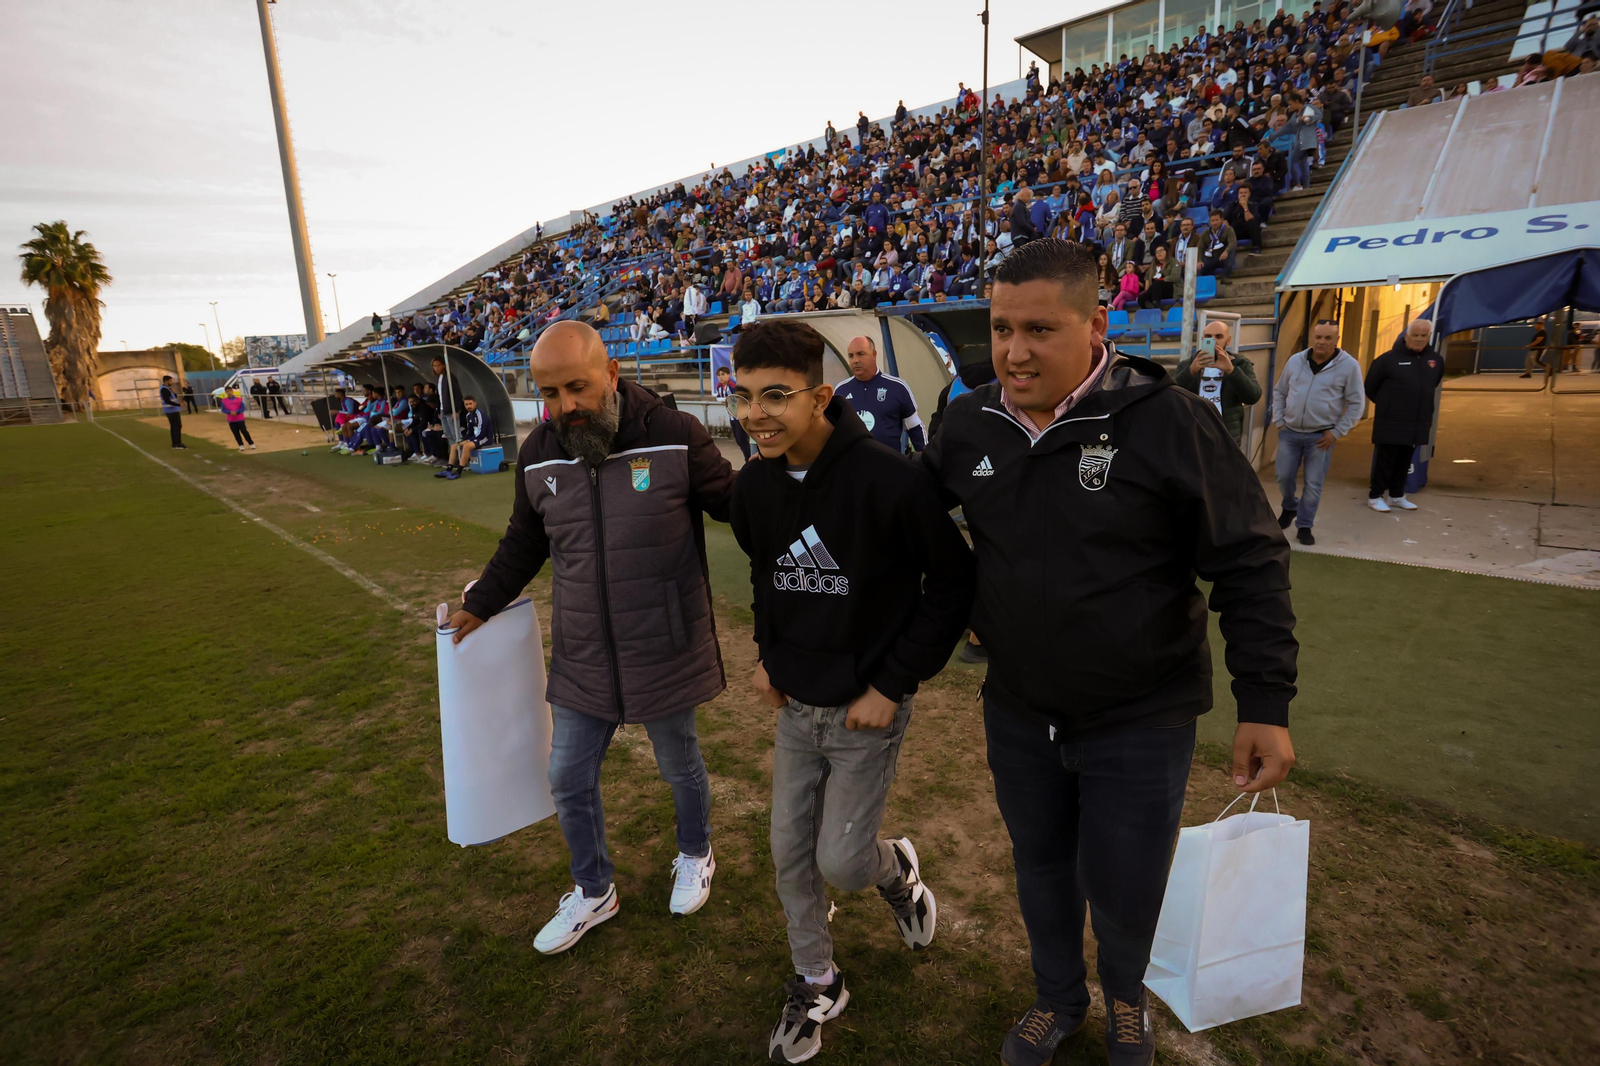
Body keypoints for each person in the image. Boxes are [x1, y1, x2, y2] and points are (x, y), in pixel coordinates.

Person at [920, 240, 1297, 1066]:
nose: (1015, 351)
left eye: (1040, 330)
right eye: (1001, 328)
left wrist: (1264, 701)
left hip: (1142, 717)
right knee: (1043, 869)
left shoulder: (1166, 421)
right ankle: (1058, 998)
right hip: (1019, 710)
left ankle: (1126, 1000)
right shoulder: (968, 419)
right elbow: (909, 515)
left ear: (1096, 324)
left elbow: (1250, 557)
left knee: (1125, 885)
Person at [725, 320, 975, 1065]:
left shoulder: (889, 480)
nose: (755, 414)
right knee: (787, 855)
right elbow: (769, 579)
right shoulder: (754, 488)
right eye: (741, 398)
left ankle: (894, 869)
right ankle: (817, 980)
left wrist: (892, 683)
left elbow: (953, 584)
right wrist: (770, 655)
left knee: (841, 862)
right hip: (797, 705)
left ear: (822, 396)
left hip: (867, 709)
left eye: (774, 396)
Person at [445, 321, 736, 955]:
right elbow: (526, 542)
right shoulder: (540, 453)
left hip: (664, 642)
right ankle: (593, 888)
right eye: (550, 394)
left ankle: (695, 852)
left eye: (577, 387)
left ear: (610, 372)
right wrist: (480, 603)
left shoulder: (677, 437)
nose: (565, 407)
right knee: (568, 775)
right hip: (583, 652)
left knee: (678, 764)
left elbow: (740, 507)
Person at [1272, 320, 1367, 545]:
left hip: (1321, 437)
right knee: (1283, 476)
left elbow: (1356, 403)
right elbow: (1280, 392)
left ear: (1336, 340)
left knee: (1313, 484)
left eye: (1327, 338)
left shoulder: (1349, 366)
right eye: (1317, 337)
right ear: (1312, 337)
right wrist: (1280, 421)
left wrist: (1337, 432)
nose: (1321, 342)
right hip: (1290, 432)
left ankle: (1305, 525)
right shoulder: (1296, 361)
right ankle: (1289, 507)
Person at [1364, 319, 1445, 513]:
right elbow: (1370, 387)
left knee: (1405, 460)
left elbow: (1432, 385)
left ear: (1429, 337)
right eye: (1415, 335)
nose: (1418, 339)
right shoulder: (1386, 360)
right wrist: (1389, 406)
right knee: (1385, 461)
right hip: (1391, 422)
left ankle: (1396, 496)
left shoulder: (1434, 361)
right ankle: (1375, 496)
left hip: (1417, 421)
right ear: (1406, 336)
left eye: (1423, 335)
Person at [1173, 319, 1262, 445]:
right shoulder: (1188, 365)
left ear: (1228, 340)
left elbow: (1252, 397)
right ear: (1203, 339)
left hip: (1226, 436)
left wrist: (1231, 371)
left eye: (1219, 336)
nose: (1213, 340)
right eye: (1209, 337)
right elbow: (1172, 395)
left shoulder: (1239, 364)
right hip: (1194, 435)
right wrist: (1191, 371)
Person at [833, 335, 926, 453]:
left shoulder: (897, 387)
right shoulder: (841, 390)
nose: (855, 360)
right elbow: (832, 431)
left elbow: (914, 426)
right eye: (851, 356)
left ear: (874, 355)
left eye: (861, 354)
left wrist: (926, 461)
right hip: (854, 466)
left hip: (889, 465)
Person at [434, 395, 493, 480]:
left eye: (470, 404)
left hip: (485, 438)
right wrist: (463, 439)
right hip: (475, 438)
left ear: (475, 403)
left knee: (466, 446)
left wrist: (469, 440)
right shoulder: (468, 415)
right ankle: (448, 469)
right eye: (466, 404)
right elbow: (470, 431)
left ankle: (459, 471)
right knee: (455, 446)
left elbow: (482, 432)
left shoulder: (480, 414)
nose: (468, 406)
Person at [712, 365, 752, 461]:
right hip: (732, 416)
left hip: (740, 416)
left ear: (728, 375)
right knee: (738, 440)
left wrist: (729, 401)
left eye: (723, 374)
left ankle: (749, 460)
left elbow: (740, 399)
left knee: (742, 440)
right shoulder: (719, 386)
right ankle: (748, 459)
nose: (720, 377)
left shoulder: (733, 386)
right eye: (718, 375)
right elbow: (720, 397)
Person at [159, 375, 186, 449]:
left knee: (175, 426)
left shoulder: (168, 389)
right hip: (171, 411)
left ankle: (175, 444)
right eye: (171, 381)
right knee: (176, 426)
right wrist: (178, 404)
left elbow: (173, 397)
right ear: (167, 381)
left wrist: (174, 393)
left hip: (173, 410)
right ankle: (178, 444)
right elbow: (167, 400)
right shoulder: (164, 389)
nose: (172, 382)